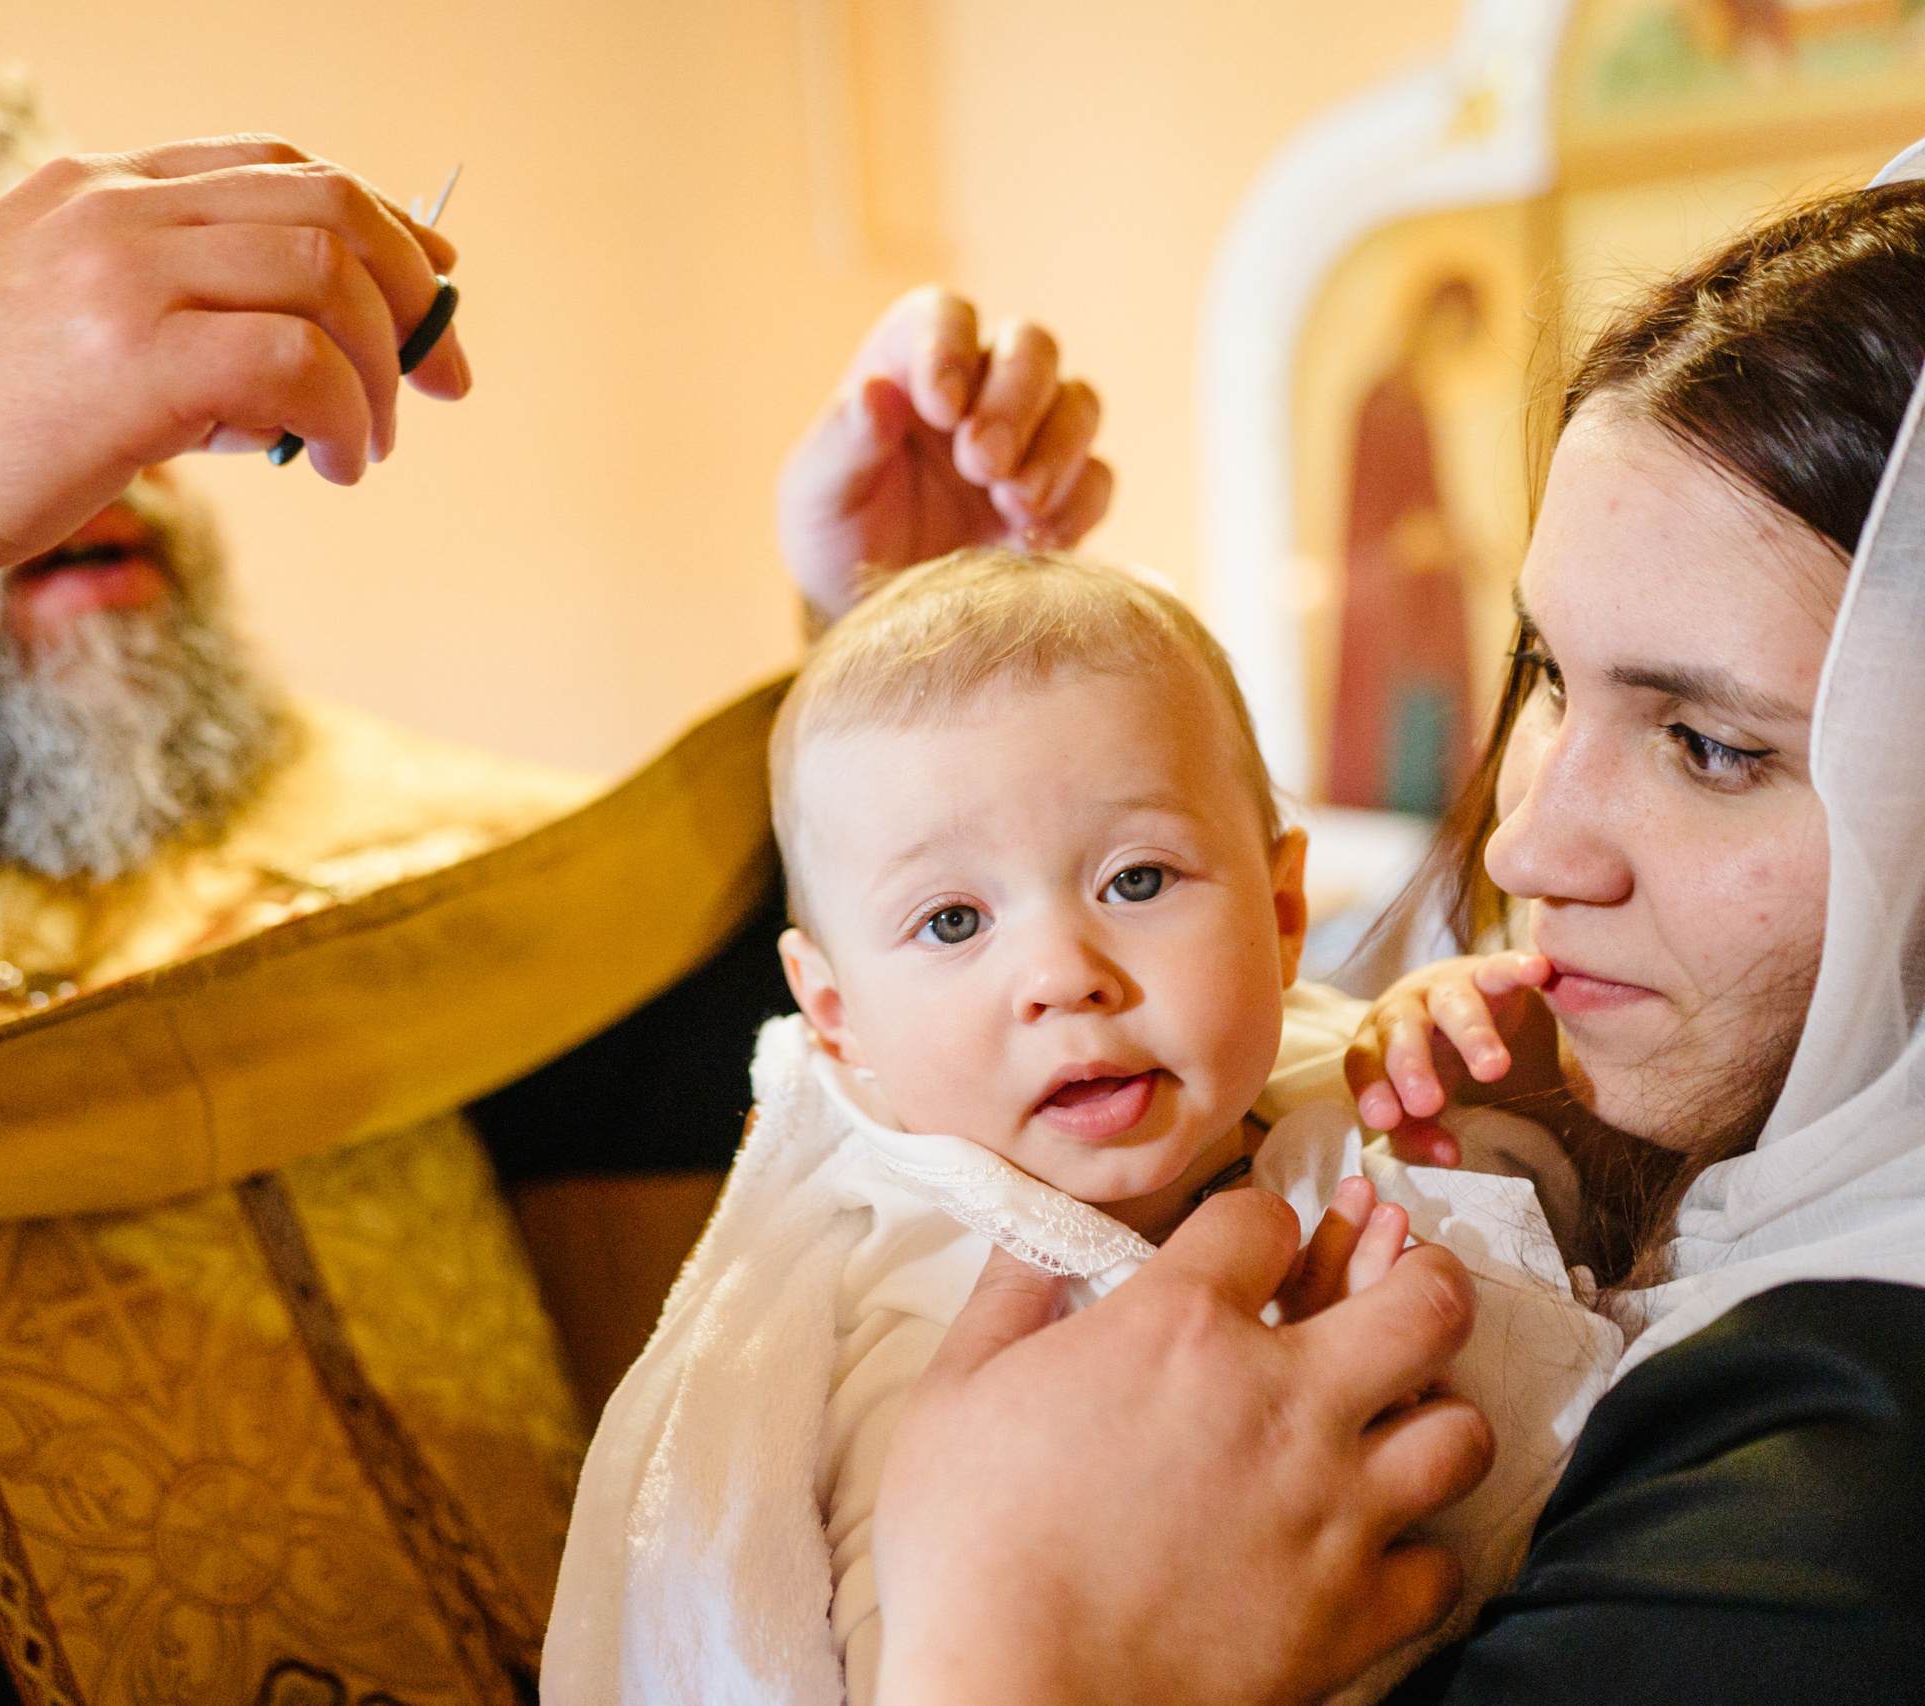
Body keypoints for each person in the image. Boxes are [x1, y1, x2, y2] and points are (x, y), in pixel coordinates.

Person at [0, 15, 1124, 1706]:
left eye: (66, 327)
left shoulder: (443, 891)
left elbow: (894, 1179)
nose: (93, 433)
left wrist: (902, 670)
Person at [865, 176, 1925, 1704]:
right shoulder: (1592, 1127)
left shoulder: (1834, 1513)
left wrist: (1006, 1642)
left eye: (1706, 744)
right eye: (1550, 671)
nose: (1524, 845)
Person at [542, 550, 1617, 1706]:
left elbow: (1598, 1237)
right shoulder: (907, 1329)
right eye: (953, 918)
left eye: (1137, 879)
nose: (1063, 973)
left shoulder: (1352, 1101)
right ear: (838, 1014)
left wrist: (1491, 1078)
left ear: (1282, 909)